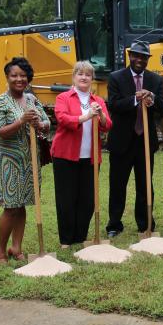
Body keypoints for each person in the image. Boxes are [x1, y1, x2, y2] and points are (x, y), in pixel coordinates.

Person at [0, 57, 50, 263]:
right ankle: (0, 251)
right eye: (14, 75)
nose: (19, 79)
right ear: (7, 77)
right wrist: (22, 120)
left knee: (22, 204)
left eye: (23, 76)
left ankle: (17, 248)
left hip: (29, 159)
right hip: (8, 162)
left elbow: (47, 122)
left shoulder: (32, 99)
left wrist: (40, 123)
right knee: (11, 206)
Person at [105, 41, 163, 237]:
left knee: (145, 184)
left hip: (145, 142)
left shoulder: (155, 79)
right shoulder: (116, 77)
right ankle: (114, 224)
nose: (140, 60)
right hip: (121, 142)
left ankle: (145, 223)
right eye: (136, 56)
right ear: (130, 56)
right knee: (117, 185)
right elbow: (114, 105)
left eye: (144, 57)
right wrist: (135, 99)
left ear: (148, 59)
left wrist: (152, 99)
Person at [50, 61, 112, 246]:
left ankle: (80, 237)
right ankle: (66, 239)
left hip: (91, 157)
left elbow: (107, 125)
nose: (84, 77)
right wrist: (86, 116)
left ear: (92, 79)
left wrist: (99, 115)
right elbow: (62, 119)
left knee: (87, 200)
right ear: (74, 77)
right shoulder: (64, 97)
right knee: (66, 199)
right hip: (65, 155)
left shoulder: (98, 100)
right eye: (80, 74)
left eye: (88, 75)